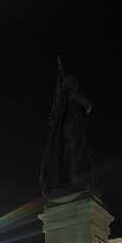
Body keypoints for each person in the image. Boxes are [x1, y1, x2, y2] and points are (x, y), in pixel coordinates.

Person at [39, 58, 94, 196]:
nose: (76, 84)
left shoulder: (64, 98)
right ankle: (76, 181)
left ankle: (74, 181)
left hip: (69, 130)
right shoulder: (70, 93)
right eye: (75, 82)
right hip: (74, 129)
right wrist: (82, 112)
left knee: (70, 155)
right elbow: (88, 103)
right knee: (75, 154)